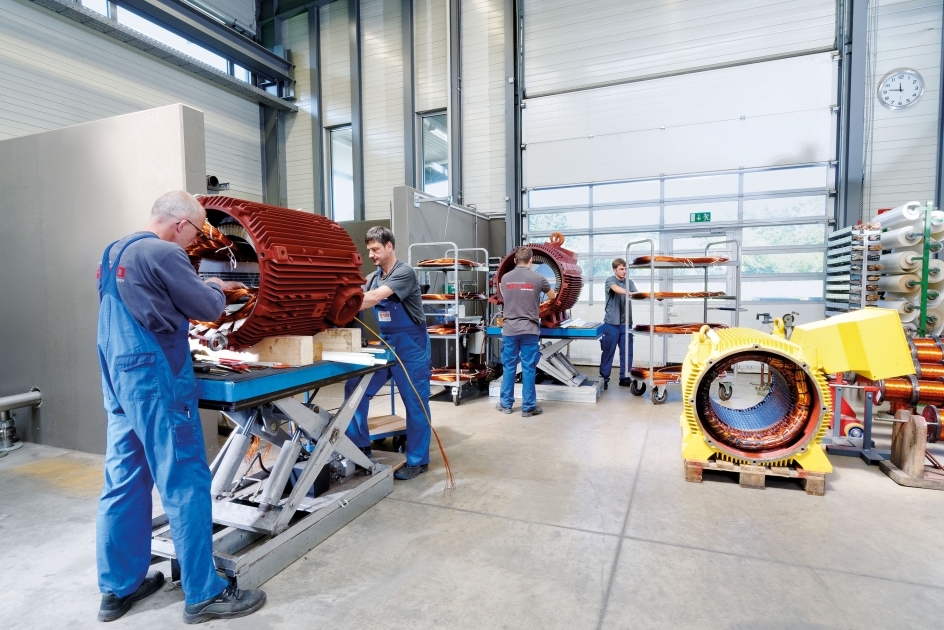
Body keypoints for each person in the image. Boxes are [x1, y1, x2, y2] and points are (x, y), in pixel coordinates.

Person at [96, 190, 266, 624]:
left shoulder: (114, 250)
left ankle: (118, 588)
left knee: (123, 480)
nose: (196, 242)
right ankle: (203, 593)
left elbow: (146, 302)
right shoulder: (165, 253)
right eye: (196, 233)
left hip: (117, 375)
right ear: (180, 224)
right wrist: (214, 287)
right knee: (184, 481)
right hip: (155, 378)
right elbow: (207, 308)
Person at [342, 226, 432, 481]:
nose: (371, 254)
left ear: (389, 246)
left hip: (411, 346)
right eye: (369, 250)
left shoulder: (404, 273)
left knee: (415, 403)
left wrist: (345, 302)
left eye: (375, 249)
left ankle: (418, 460)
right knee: (355, 389)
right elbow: (359, 292)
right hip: (386, 344)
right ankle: (360, 446)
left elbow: (372, 298)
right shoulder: (372, 277)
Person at [496, 246, 558, 417]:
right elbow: (552, 296)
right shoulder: (538, 278)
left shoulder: (505, 278)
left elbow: (505, 296)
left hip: (510, 330)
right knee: (528, 368)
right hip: (530, 330)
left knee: (509, 367)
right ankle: (528, 407)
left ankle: (506, 405)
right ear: (531, 260)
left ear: (515, 260)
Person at [599, 257, 637, 389]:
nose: (624, 271)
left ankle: (625, 377)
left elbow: (637, 294)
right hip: (611, 323)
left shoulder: (629, 282)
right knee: (608, 351)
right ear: (614, 270)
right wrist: (629, 293)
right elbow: (615, 289)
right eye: (621, 269)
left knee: (627, 351)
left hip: (626, 322)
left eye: (625, 269)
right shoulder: (610, 280)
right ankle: (604, 379)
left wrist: (653, 296)